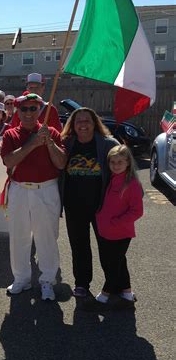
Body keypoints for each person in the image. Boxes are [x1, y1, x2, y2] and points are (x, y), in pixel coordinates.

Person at [0, 93, 66, 301]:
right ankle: (21, 278)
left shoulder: (52, 132)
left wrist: (48, 143)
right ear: (17, 111)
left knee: (47, 237)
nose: (28, 113)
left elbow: (61, 163)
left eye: (33, 108)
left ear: (39, 110)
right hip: (19, 189)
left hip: (46, 189)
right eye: (24, 109)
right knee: (19, 236)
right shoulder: (10, 135)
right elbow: (9, 161)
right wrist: (33, 143)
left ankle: (47, 280)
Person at [60, 107, 119, 298]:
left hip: (102, 206)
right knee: (79, 247)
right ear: (72, 125)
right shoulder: (66, 144)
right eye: (78, 121)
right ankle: (82, 284)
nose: (83, 124)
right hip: (74, 206)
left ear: (95, 123)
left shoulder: (108, 144)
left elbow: (126, 172)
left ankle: (113, 285)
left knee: (108, 247)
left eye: (87, 121)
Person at [93, 145, 143, 307]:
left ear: (128, 162)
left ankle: (105, 294)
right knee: (119, 262)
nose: (116, 165)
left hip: (121, 232)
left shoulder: (132, 184)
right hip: (106, 231)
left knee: (113, 264)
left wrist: (116, 222)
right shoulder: (111, 178)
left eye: (120, 161)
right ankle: (127, 292)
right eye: (112, 162)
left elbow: (136, 212)